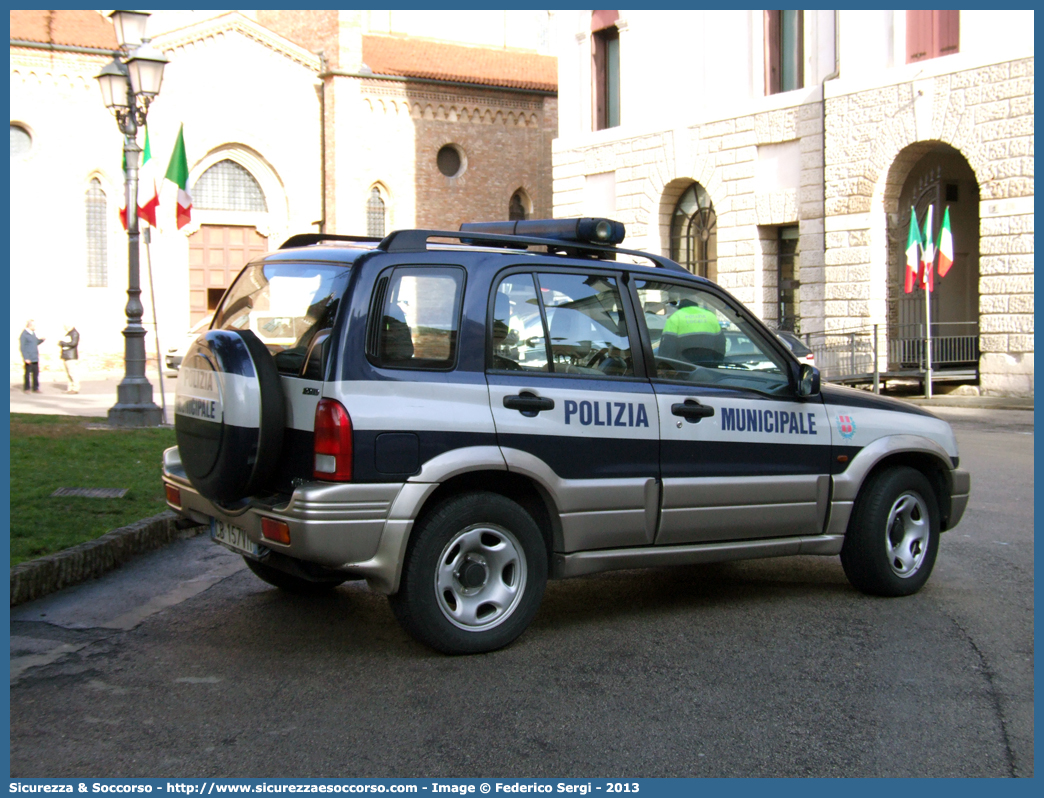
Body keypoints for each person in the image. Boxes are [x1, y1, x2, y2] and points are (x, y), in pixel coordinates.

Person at [19, 319, 44, 393]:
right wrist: (26, 357)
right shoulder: (24, 334)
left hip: (35, 357)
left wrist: (42, 340)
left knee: (36, 374)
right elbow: (22, 347)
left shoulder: (33, 333)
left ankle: (35, 388)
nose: (35, 327)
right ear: (30, 326)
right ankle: (27, 388)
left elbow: (36, 342)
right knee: (27, 374)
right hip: (29, 357)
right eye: (34, 325)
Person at [59, 323, 80, 393]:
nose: (65, 328)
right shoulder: (70, 333)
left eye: (65, 326)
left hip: (71, 356)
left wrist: (63, 343)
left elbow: (74, 343)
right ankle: (70, 388)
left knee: (72, 373)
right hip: (67, 355)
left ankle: (75, 388)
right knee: (68, 374)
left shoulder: (74, 333)